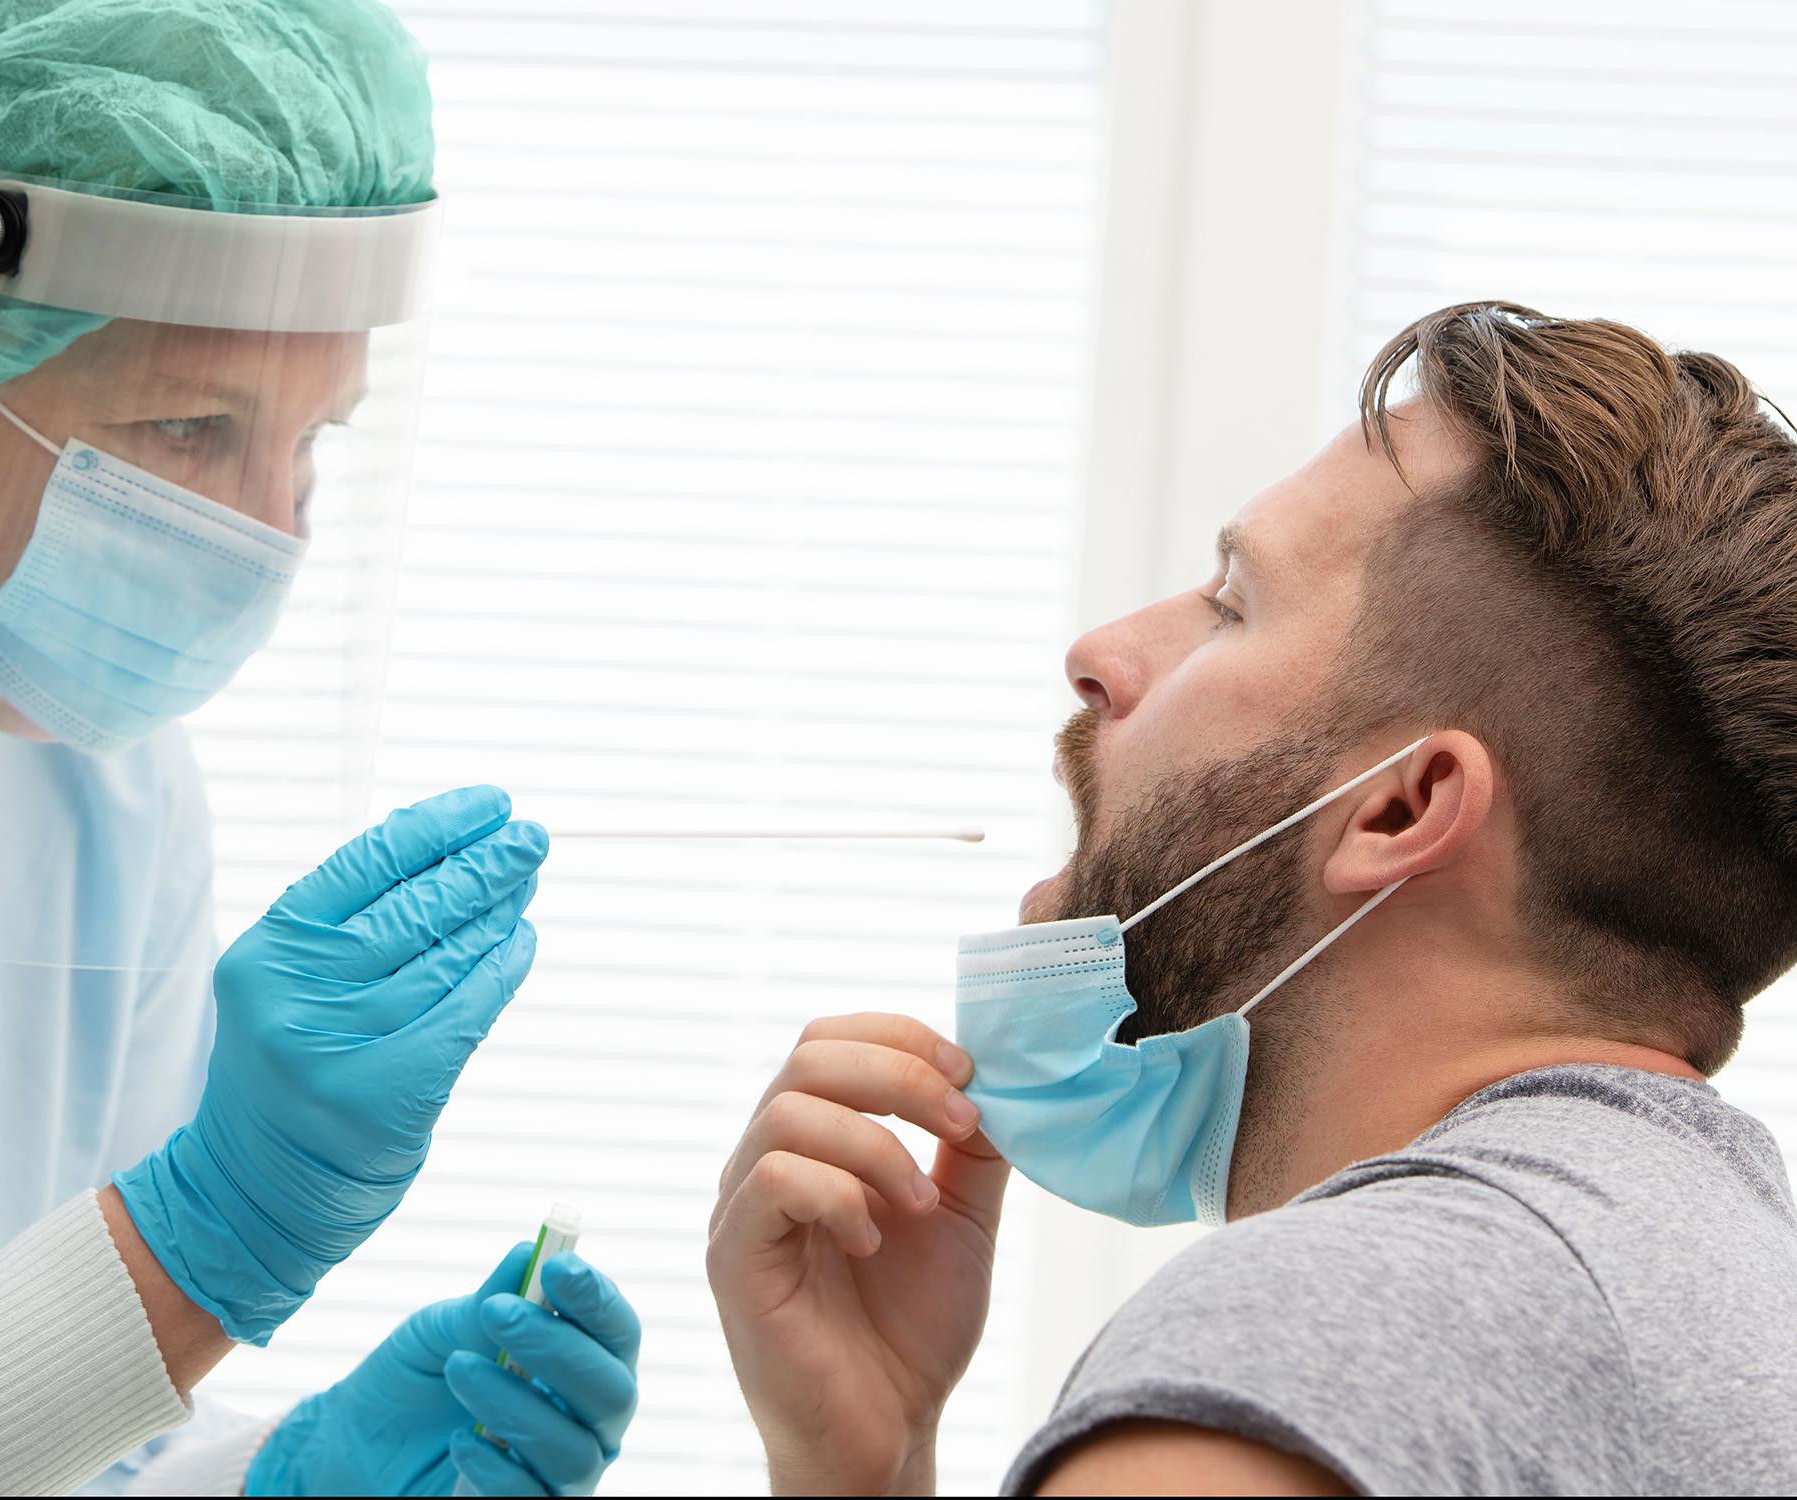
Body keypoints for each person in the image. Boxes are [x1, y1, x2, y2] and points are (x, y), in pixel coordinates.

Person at [0, 2, 636, 1494]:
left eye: (312, 440)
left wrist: (265, 1478)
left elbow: (30, 1436)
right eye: (193, 428)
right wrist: (200, 1251)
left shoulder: (104, 790)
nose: (267, 538)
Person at [706, 302, 1797, 1495]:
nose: (1103, 651)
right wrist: (865, 1472)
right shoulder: (1715, 1284)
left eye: (1232, 602)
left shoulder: (1343, 1326)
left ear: (1399, 808)